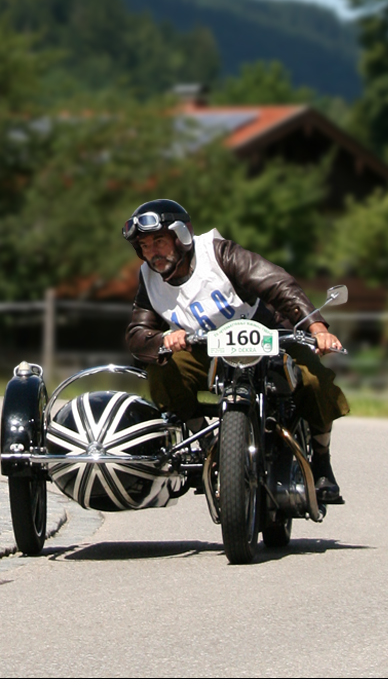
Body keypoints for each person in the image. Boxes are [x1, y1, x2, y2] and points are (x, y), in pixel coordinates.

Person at [123, 198, 348, 502]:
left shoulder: (219, 254)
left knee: (313, 379)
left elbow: (278, 285)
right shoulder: (148, 280)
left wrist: (316, 329)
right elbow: (138, 332)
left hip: (265, 338)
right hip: (206, 350)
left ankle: (321, 460)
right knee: (163, 373)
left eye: (159, 241)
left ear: (181, 236)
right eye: (145, 246)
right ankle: (206, 445)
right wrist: (163, 340)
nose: (153, 252)